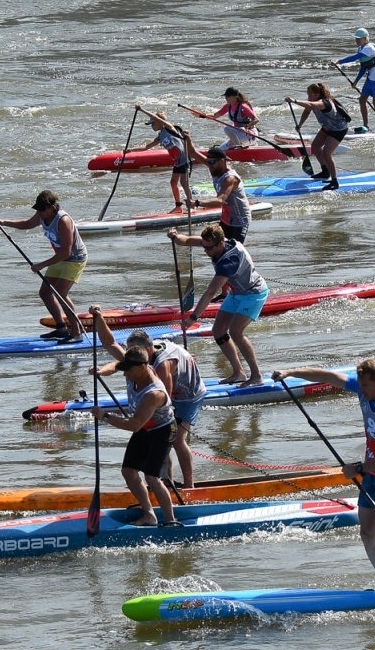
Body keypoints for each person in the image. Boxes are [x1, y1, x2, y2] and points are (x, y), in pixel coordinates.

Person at [271, 359, 375, 590]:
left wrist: (358, 468)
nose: (361, 389)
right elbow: (327, 376)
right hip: (373, 473)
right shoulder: (363, 389)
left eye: (366, 385)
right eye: (360, 384)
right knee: (366, 530)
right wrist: (290, 372)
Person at [91, 308, 204, 488]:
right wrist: (101, 371)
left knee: (175, 438)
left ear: (148, 350)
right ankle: (165, 482)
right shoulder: (138, 357)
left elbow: (165, 406)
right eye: (128, 351)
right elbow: (111, 344)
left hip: (188, 394)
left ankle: (189, 487)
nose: (129, 356)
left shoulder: (162, 365)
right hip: (168, 389)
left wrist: (139, 421)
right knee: (158, 436)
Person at [167, 223, 267, 386]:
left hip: (254, 293)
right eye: (204, 247)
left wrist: (193, 317)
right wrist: (175, 236)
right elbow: (187, 240)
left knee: (235, 332)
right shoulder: (215, 242)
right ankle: (238, 373)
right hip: (237, 293)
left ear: (220, 244)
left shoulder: (228, 262)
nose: (206, 251)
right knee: (218, 331)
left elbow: (210, 292)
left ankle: (256, 376)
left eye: (209, 248)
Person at [91, 345, 181, 525]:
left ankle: (171, 521)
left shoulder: (154, 393)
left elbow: (134, 425)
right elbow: (117, 364)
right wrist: (101, 371)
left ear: (142, 367)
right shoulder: (137, 367)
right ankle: (149, 515)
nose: (125, 375)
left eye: (128, 371)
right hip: (145, 428)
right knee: (128, 472)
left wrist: (105, 416)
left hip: (162, 431)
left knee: (152, 478)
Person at [0, 190, 88, 341]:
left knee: (60, 293)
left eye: (42, 210)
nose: (40, 213)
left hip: (74, 259)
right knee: (45, 293)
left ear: (52, 207)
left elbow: (66, 252)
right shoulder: (42, 215)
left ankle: (77, 333)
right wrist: (4, 222)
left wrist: (41, 265)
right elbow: (28, 224)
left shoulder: (63, 221)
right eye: (38, 209)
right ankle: (61, 329)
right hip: (60, 258)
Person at [287, 83, 351, 190]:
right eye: (308, 95)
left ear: (317, 94)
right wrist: (300, 125)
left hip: (339, 129)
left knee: (326, 153)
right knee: (315, 146)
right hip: (327, 127)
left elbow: (310, 105)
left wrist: (294, 101)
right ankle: (325, 171)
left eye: (310, 95)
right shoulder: (313, 102)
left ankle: (334, 181)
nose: (308, 97)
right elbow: (307, 111)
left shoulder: (324, 103)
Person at [134, 109, 198, 210]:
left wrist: (141, 109)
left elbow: (156, 117)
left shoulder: (169, 128)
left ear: (159, 121)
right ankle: (178, 207)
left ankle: (192, 206)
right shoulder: (160, 136)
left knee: (183, 183)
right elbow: (146, 147)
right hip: (177, 161)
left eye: (153, 123)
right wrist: (129, 150)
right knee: (173, 183)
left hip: (184, 159)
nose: (151, 126)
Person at [192, 145, 253, 243]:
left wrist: (197, 203)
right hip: (226, 218)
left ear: (222, 161)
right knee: (218, 246)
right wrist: (186, 139)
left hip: (240, 220)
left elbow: (220, 201)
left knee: (233, 249)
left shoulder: (230, 179)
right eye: (208, 162)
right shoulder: (214, 168)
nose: (210, 165)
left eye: (212, 162)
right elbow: (192, 152)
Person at [333, 28, 375, 130]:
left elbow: (355, 57)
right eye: (356, 39)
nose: (357, 41)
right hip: (370, 78)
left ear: (365, 39)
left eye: (359, 39)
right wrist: (356, 81)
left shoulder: (369, 48)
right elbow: (363, 67)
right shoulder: (360, 49)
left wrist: (339, 61)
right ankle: (366, 125)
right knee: (362, 100)